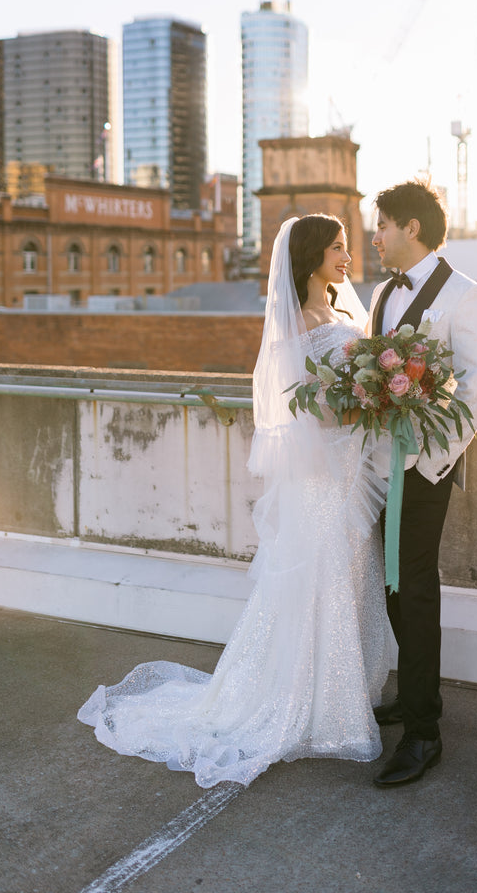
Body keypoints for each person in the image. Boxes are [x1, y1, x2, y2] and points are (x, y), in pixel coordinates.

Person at [77, 214, 393, 788]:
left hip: (353, 466)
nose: (348, 257)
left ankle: (346, 695)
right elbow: (304, 409)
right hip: (323, 470)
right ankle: (309, 707)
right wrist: (358, 408)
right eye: (338, 248)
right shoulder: (293, 322)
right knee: (317, 579)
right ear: (310, 256)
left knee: (351, 576)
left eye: (348, 247)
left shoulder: (345, 312)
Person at [368, 178, 477, 788]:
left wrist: (429, 461)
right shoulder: (382, 295)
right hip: (375, 467)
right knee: (392, 583)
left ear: (410, 228)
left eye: (382, 226)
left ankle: (424, 733)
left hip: (423, 467)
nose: (376, 238)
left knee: (414, 588)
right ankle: (414, 698)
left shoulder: (468, 296)